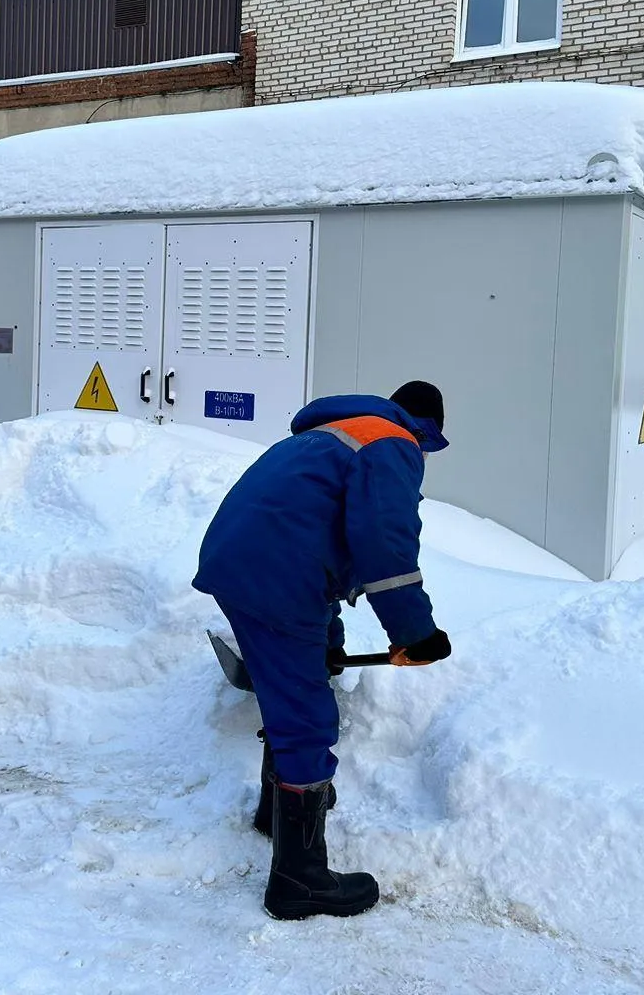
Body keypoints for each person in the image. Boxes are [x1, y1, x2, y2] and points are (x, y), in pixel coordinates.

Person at [193, 380, 454, 921]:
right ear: (425, 429)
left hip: (243, 563)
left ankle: (275, 812)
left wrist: (329, 647)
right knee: (308, 716)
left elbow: (315, 540)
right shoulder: (391, 442)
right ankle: (299, 880)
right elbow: (385, 543)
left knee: (296, 685)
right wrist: (414, 633)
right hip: (277, 575)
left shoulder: (331, 436)